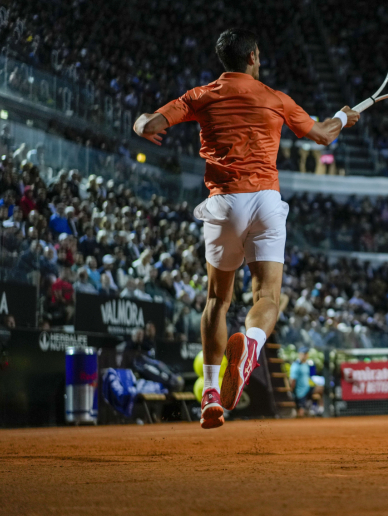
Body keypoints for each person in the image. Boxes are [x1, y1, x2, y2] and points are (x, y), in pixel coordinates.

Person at [133, 28, 359, 429]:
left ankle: (211, 395)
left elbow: (149, 124)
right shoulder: (275, 98)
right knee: (267, 294)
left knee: (217, 301)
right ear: (253, 56)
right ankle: (252, 344)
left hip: (223, 204)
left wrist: (141, 124)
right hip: (266, 203)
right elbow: (323, 135)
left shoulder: (200, 95)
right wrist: (344, 116)